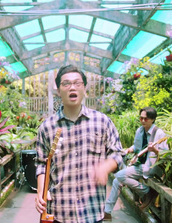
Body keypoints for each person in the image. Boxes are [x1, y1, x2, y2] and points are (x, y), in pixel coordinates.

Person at [34, 65, 125, 223]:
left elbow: (117, 154)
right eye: (66, 84)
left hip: (92, 211)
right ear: (58, 90)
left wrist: (106, 166)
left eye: (77, 83)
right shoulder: (47, 127)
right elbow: (42, 163)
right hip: (60, 212)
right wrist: (41, 192)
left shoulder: (102, 122)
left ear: (84, 88)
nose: (72, 87)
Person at [103, 107, 168, 221]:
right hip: (139, 165)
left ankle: (147, 192)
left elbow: (165, 155)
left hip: (152, 167)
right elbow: (137, 147)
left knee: (119, 175)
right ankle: (107, 212)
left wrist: (155, 151)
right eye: (141, 118)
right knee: (116, 181)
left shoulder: (159, 133)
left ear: (152, 119)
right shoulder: (140, 131)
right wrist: (128, 150)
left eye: (146, 119)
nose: (143, 121)